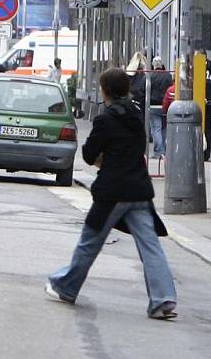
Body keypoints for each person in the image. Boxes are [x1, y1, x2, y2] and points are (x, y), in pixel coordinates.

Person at [45, 67, 177, 319]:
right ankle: (163, 300)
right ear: (126, 89)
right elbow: (138, 147)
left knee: (90, 242)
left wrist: (103, 159)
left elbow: (88, 153)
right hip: (139, 190)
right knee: (150, 247)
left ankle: (66, 286)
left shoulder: (105, 120)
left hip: (112, 192)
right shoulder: (137, 115)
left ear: (104, 91)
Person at [148, 57, 172, 158]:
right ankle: (165, 150)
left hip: (153, 105)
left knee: (156, 128)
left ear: (153, 65)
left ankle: (159, 151)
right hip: (165, 105)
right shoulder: (168, 75)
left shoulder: (150, 75)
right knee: (164, 128)